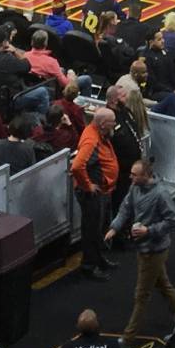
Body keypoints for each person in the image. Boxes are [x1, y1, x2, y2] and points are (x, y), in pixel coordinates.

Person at [107, 159, 175, 343]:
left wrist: (149, 231)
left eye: (134, 175)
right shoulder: (135, 188)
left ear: (146, 175)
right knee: (164, 286)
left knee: (142, 294)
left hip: (155, 249)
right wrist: (114, 228)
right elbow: (125, 209)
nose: (130, 177)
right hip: (143, 247)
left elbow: (172, 220)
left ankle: (127, 338)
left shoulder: (160, 195)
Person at [73, 107, 121, 278]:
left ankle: (99, 259)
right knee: (92, 230)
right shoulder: (91, 141)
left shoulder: (99, 134)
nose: (115, 125)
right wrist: (88, 186)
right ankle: (89, 266)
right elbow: (77, 166)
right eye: (112, 122)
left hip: (103, 191)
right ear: (102, 124)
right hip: (93, 194)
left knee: (98, 228)